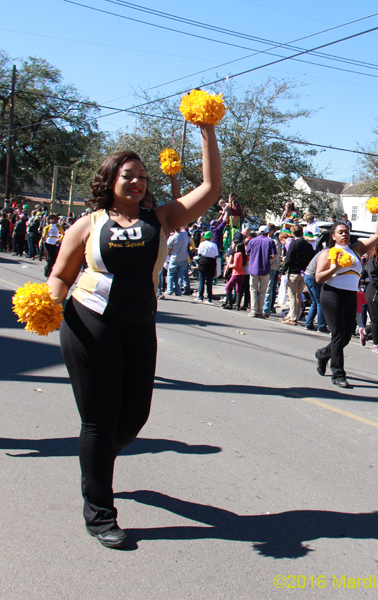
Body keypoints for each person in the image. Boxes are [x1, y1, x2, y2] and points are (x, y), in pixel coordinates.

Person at [47, 120, 221, 549]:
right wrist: (47, 304)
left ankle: (97, 462)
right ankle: (100, 512)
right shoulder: (87, 224)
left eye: (143, 177)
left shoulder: (161, 218)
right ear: (110, 181)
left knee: (134, 416)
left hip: (139, 323)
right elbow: (61, 275)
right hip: (90, 321)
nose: (139, 183)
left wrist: (207, 130)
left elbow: (211, 187)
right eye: (130, 176)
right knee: (99, 419)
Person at [314, 214, 378, 389]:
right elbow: (318, 278)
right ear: (333, 236)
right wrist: (335, 267)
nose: (344, 235)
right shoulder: (327, 253)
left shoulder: (356, 249)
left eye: (346, 232)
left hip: (350, 294)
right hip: (332, 294)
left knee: (347, 335)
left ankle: (323, 353)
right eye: (340, 232)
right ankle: (338, 374)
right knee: (338, 334)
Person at [282, 224, 315, 325]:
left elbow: (289, 258)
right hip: (303, 272)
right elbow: (312, 257)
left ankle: (293, 316)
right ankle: (297, 314)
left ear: (293, 233)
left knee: (291, 295)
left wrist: (284, 269)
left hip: (293, 272)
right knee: (299, 295)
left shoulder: (294, 244)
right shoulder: (308, 245)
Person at [246, 224, 277, 318]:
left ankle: (253, 310)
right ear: (268, 232)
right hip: (265, 268)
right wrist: (268, 260)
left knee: (253, 290)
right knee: (263, 291)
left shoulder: (252, 240)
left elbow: (247, 252)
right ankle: (260, 310)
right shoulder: (270, 241)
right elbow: (274, 255)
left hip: (253, 268)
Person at [303, 248, 328, 333]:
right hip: (313, 277)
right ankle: (321, 326)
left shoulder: (323, 252)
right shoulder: (327, 254)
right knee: (320, 302)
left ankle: (309, 323)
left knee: (315, 302)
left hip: (308, 275)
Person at [195, 231, 220, 303]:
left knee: (201, 280)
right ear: (211, 237)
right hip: (211, 262)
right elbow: (216, 255)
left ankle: (200, 296)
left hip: (203, 261)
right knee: (209, 281)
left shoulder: (202, 244)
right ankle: (209, 298)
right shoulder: (214, 245)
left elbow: (199, 254)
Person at [222, 241, 247, 310]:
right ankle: (237, 305)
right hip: (242, 273)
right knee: (238, 289)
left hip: (236, 273)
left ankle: (229, 304)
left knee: (228, 287)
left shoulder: (237, 254)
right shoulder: (243, 254)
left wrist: (228, 266)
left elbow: (235, 265)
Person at [166, 227, 190, 296]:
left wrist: (169, 253)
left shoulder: (172, 237)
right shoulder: (185, 234)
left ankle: (169, 290)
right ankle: (178, 291)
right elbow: (189, 243)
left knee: (170, 274)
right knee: (180, 276)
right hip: (184, 258)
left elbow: (168, 248)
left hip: (174, 258)